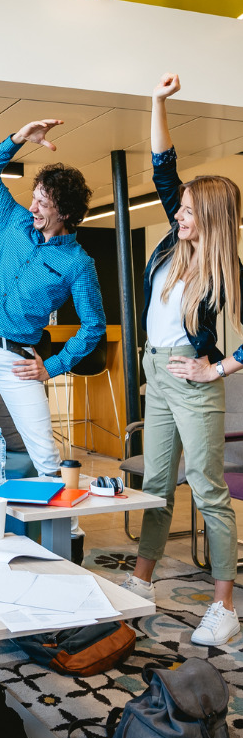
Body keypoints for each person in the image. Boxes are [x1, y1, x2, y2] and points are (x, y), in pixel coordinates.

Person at [120, 74, 243, 646]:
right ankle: (141, 583)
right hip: (156, 372)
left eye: (190, 211)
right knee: (157, 485)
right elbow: (163, 167)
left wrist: (218, 368)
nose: (179, 214)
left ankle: (223, 608)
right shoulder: (174, 241)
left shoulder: (226, 269)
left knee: (208, 488)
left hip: (193, 381)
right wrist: (157, 102)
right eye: (181, 208)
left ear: (212, 218)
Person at [0, 120, 106, 549]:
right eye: (34, 198)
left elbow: (94, 327)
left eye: (44, 203)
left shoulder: (78, 263)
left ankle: (65, 530)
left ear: (67, 213)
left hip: (16, 358)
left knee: (45, 454)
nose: (34, 208)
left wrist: (51, 367)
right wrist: (18, 139)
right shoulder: (12, 221)